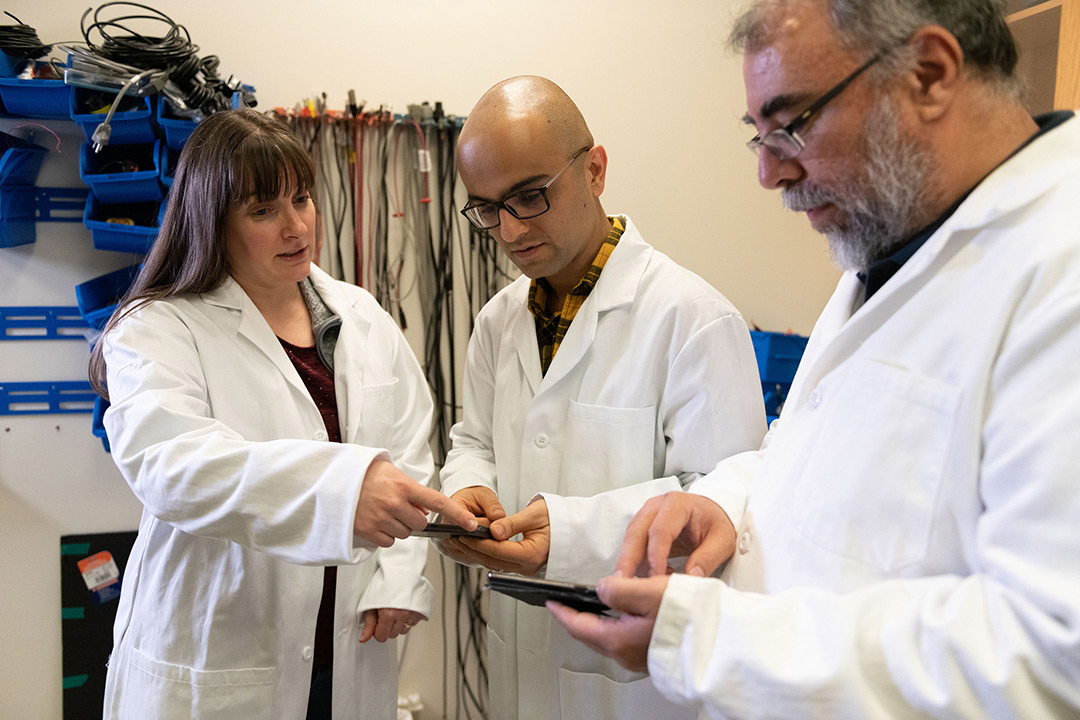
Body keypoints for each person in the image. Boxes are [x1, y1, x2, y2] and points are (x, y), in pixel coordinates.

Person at [550, 0, 1080, 717]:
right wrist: (719, 502)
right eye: (759, 136)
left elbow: (1047, 657)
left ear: (928, 74)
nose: (769, 174)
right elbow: (806, 453)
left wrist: (708, 640)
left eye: (792, 125)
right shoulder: (888, 250)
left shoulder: (1059, 265)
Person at [87, 109, 477, 720]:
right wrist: (340, 491)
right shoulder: (157, 328)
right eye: (263, 211)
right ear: (213, 223)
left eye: (302, 199)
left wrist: (399, 576)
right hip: (220, 655)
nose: (296, 227)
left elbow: (408, 451)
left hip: (349, 644)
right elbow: (172, 466)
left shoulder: (361, 316)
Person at [437, 75, 767, 719]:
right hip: (519, 655)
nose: (506, 229)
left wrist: (567, 534)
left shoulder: (691, 317)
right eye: (484, 208)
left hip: (634, 682)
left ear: (594, 170)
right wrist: (465, 490)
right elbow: (473, 440)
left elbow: (722, 503)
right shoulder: (498, 322)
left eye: (529, 196)